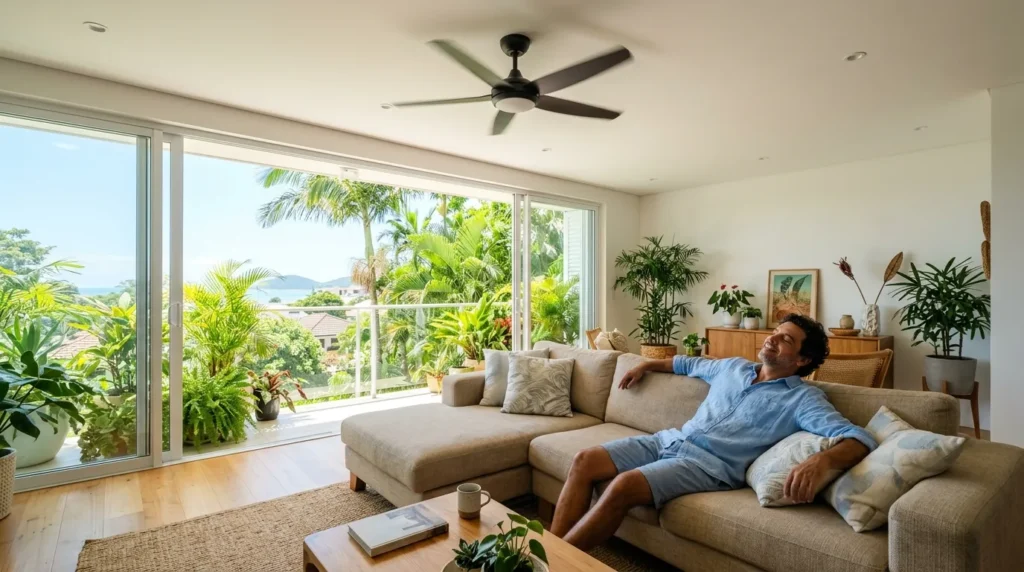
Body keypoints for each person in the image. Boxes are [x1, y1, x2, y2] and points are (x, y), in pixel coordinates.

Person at [551, 314, 877, 551]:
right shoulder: (732, 366)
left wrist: (821, 461)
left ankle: (556, 565)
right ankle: (550, 554)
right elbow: (685, 364)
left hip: (708, 467)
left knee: (623, 485)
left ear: (802, 359)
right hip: (670, 440)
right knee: (584, 460)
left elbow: (859, 439)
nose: (772, 339)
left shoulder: (802, 399)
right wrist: (645, 365)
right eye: (775, 333)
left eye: (785, 339)